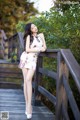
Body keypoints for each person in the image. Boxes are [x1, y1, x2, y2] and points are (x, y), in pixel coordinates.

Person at [18, 23, 47, 119]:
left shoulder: (40, 36)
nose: (35, 28)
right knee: (27, 81)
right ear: (30, 30)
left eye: (35, 26)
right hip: (25, 58)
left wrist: (42, 42)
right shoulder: (29, 37)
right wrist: (38, 48)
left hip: (33, 61)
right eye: (33, 27)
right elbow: (27, 49)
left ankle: (28, 105)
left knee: (28, 80)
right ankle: (28, 106)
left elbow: (45, 48)